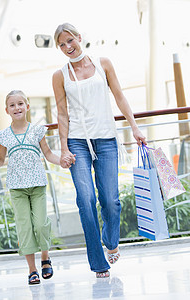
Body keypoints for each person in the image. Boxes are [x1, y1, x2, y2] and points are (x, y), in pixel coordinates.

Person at [52, 23, 146, 278]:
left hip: (105, 139)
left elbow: (119, 96)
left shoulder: (103, 64)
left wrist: (135, 127)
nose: (68, 47)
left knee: (110, 201)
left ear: (80, 38)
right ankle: (98, 262)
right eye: (61, 44)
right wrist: (63, 148)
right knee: (86, 200)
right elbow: (61, 113)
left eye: (70, 40)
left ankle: (111, 240)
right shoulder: (60, 75)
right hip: (77, 142)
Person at [0, 90, 60, 284]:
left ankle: (45, 257)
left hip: (37, 184)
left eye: (20, 103)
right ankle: (32, 269)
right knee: (24, 228)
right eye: (12, 105)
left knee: (40, 223)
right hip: (17, 188)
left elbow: (48, 154)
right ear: (6, 110)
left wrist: (62, 160)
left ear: (27, 106)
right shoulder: (4, 136)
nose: (17, 108)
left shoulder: (37, 130)